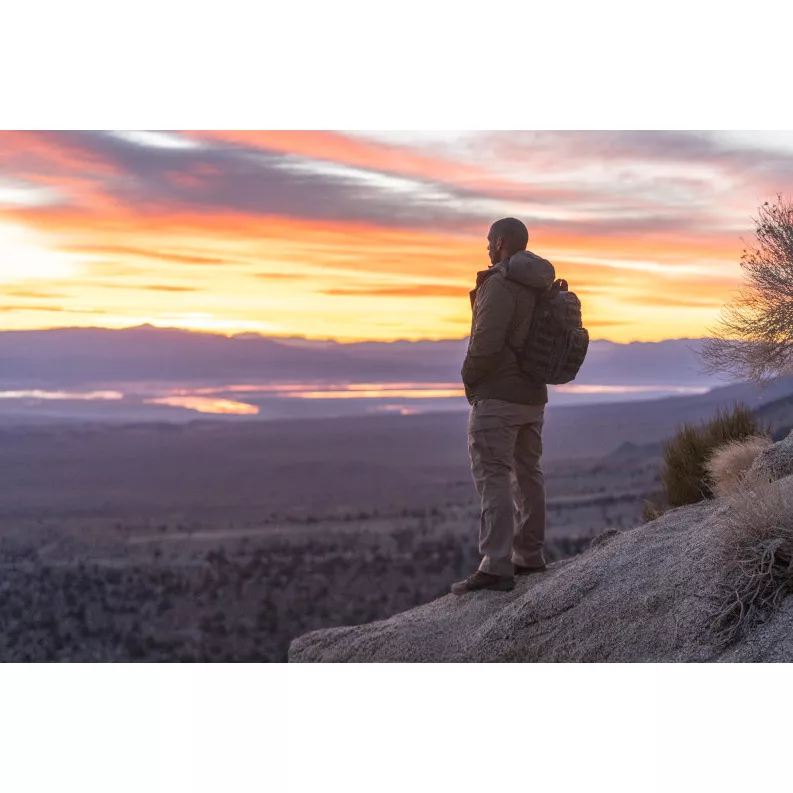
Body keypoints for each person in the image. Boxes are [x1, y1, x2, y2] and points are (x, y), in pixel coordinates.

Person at [451, 218, 556, 595]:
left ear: (500, 242)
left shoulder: (498, 284)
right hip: (533, 397)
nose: (486, 248)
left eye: (488, 242)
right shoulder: (539, 285)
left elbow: (485, 344)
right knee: (529, 473)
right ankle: (529, 555)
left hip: (498, 398)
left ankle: (496, 565)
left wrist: (469, 377)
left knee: (493, 474)